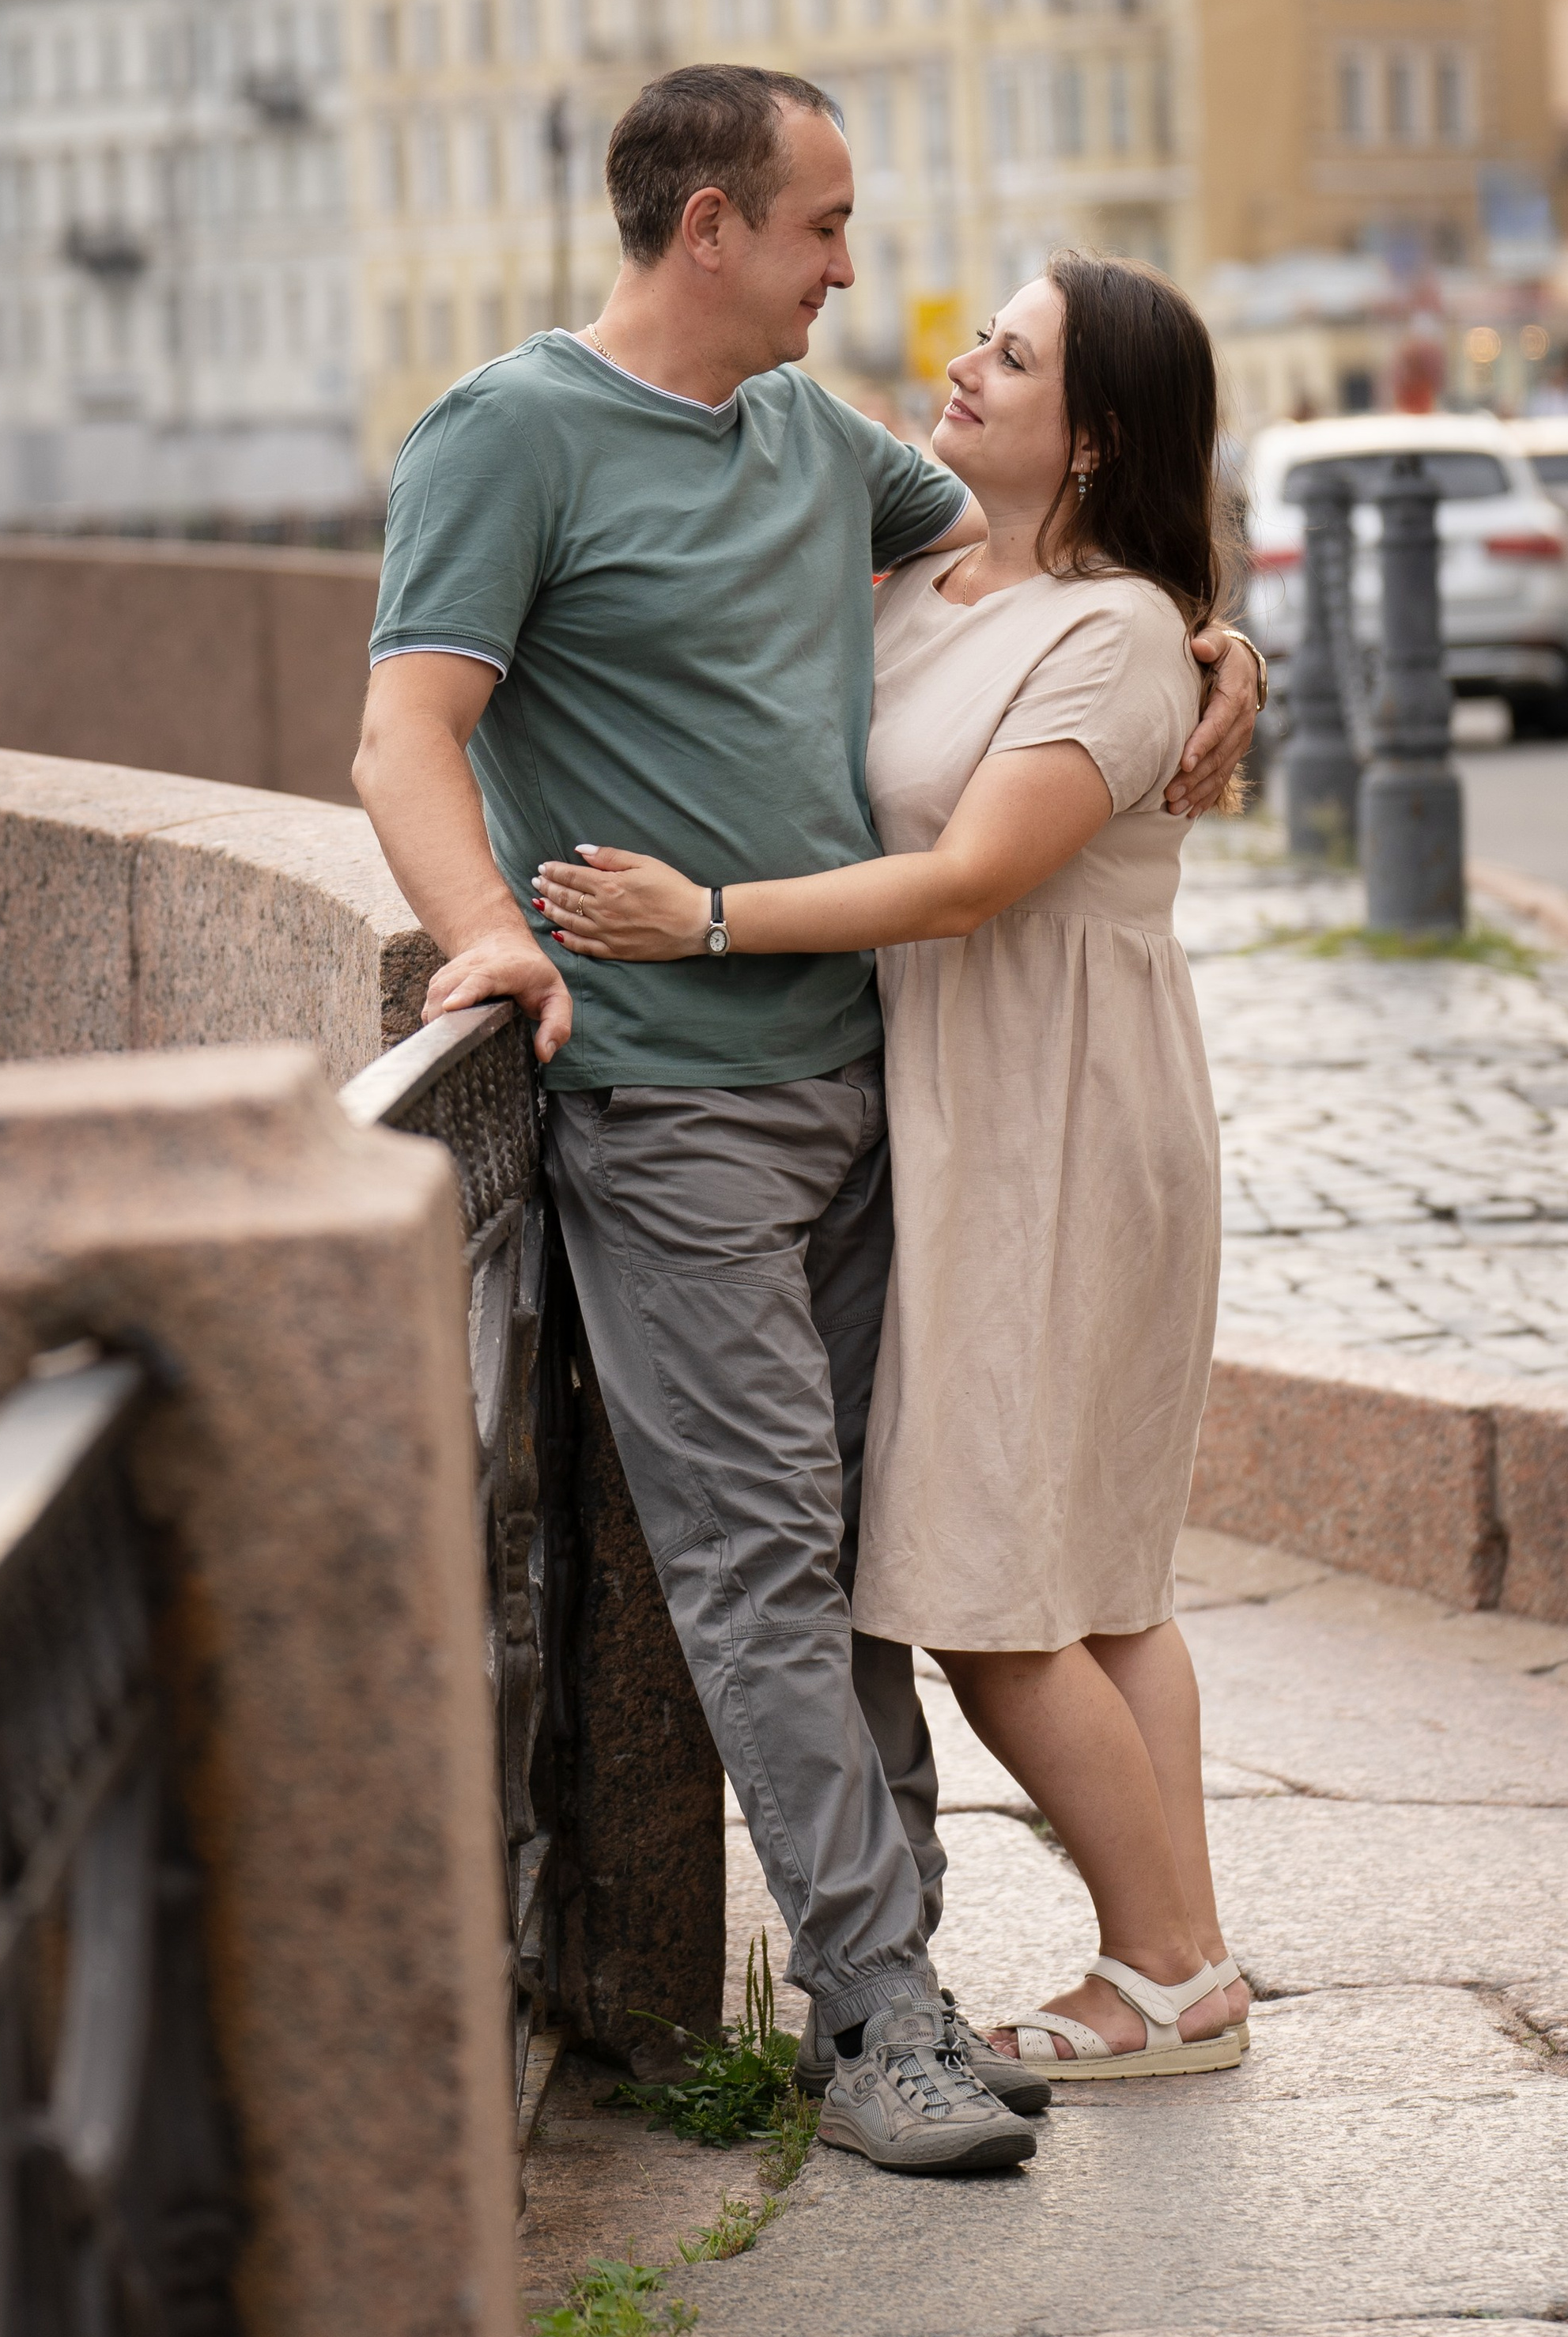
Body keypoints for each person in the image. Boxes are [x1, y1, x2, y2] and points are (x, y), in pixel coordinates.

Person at [353, 68, 1260, 2170]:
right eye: (825, 225)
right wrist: (491, 935)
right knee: (764, 1569)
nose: (859, 269)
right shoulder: (511, 434)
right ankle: (879, 2024)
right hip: (669, 1110)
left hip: (870, 1094)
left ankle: (914, 1974)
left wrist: (1213, 645)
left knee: (865, 1571)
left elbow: (1052, 579)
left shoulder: (802, 435)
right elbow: (407, 729)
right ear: (711, 231)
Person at [533, 251, 1250, 2087]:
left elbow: (964, 880)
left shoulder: (1106, 632)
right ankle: (1181, 1968)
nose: (960, 363)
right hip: (964, 1106)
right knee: (1093, 1582)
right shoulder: (933, 571)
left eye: (1007, 357)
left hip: (1058, 1127)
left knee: (991, 1594)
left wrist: (695, 919)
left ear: (1088, 437)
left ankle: (1165, 1969)